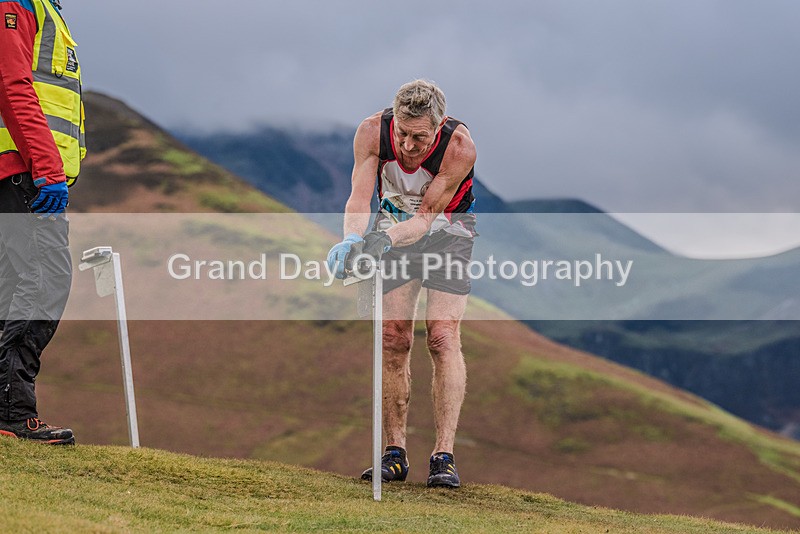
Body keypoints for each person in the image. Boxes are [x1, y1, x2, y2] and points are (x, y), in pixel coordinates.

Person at [327, 79, 477, 488]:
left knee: (442, 336)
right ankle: (394, 453)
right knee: (393, 336)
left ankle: (443, 456)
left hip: (447, 231)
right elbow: (360, 196)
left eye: (420, 138)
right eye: (404, 135)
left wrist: (383, 240)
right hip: (391, 223)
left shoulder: (459, 148)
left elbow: (427, 218)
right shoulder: (372, 131)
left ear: (439, 125)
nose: (409, 147)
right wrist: (352, 240)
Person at [0, 0, 85, 445]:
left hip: (22, 169)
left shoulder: (42, 7)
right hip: (23, 171)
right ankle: (12, 412)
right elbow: (13, 85)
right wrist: (47, 168)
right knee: (42, 282)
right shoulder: (15, 5)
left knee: (16, 285)